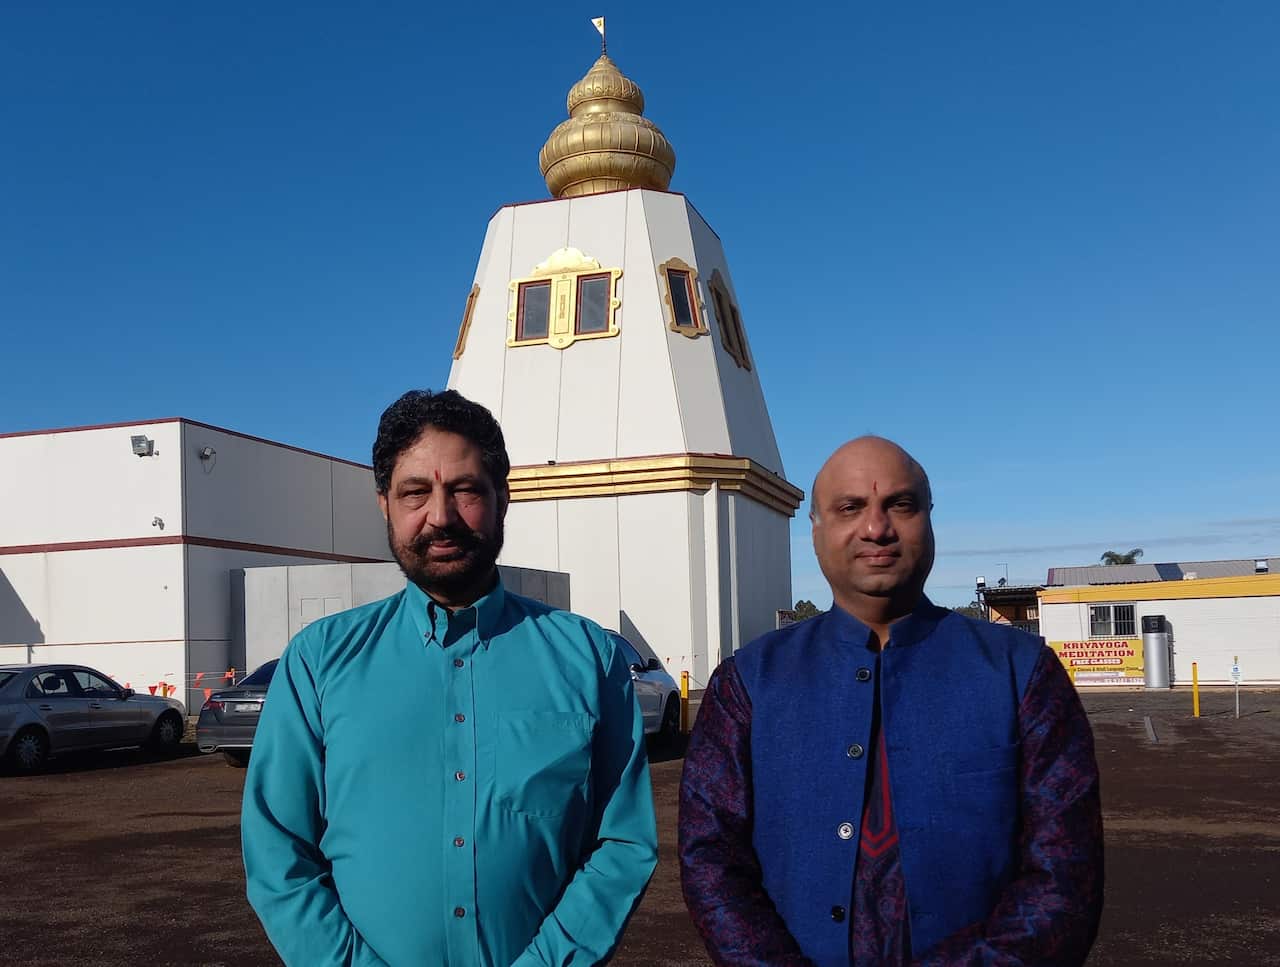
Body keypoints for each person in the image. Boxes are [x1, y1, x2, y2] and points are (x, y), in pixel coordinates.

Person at [242, 389, 657, 966]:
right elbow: (277, 851)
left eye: (464, 490)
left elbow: (623, 843)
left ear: (502, 499)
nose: (440, 517)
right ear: (384, 503)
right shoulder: (318, 660)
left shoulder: (589, 658)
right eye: (416, 492)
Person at [679, 436, 1103, 966]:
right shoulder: (747, 683)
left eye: (900, 505)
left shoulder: (1022, 673)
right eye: (850, 507)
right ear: (816, 529)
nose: (876, 528)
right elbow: (711, 860)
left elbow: (1065, 872)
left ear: (929, 517)